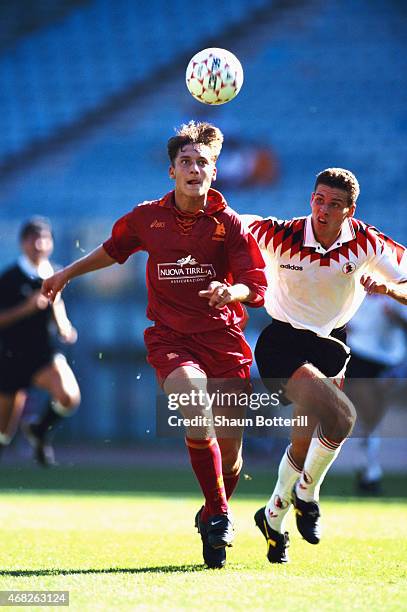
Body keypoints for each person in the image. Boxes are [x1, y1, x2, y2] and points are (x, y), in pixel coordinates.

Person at [41, 121, 267, 569]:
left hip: (224, 340)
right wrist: (67, 272)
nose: (194, 168)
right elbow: (113, 249)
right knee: (192, 401)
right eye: (186, 161)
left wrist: (231, 292)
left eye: (202, 162)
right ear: (172, 171)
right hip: (171, 339)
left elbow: (255, 284)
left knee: (233, 455)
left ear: (214, 172)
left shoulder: (229, 224)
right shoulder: (148, 217)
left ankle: (209, 512)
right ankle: (221, 514)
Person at [243, 168, 407, 564]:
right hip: (282, 342)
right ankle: (308, 497)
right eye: (319, 199)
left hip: (332, 345)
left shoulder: (368, 242)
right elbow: (230, 222)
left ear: (350, 210)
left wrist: (389, 290)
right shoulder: (279, 233)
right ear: (310, 198)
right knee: (341, 419)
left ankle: (272, 518)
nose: (324, 209)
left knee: (302, 445)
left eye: (335, 204)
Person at [0, 217, 80, 466]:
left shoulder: (54, 273)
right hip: (11, 356)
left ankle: (39, 430)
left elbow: (57, 303)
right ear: (23, 243)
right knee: (3, 431)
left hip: (43, 355)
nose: (40, 244)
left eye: (45, 239)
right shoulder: (10, 278)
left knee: (69, 396)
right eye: (34, 239)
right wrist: (26, 307)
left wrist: (64, 326)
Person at [346, 294, 407, 494]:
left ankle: (368, 469)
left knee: (374, 418)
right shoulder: (356, 285)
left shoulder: (397, 285)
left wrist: (395, 317)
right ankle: (370, 472)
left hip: (390, 358)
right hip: (359, 353)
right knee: (368, 414)